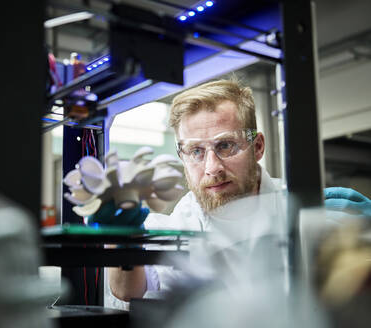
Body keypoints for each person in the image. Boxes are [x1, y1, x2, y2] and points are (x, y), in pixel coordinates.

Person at [99, 79, 371, 309]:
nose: (212, 168)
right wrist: (122, 240)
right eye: (196, 151)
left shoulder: (313, 213)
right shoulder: (179, 226)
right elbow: (129, 292)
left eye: (226, 145)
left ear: (258, 146)